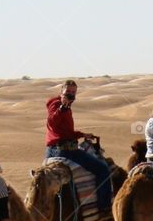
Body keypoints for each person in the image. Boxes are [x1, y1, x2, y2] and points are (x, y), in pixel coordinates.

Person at [44, 79, 113, 214]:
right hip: (63, 150)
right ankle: (104, 208)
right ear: (61, 92)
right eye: (68, 92)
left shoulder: (67, 107)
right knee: (102, 169)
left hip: (53, 149)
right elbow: (52, 122)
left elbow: (64, 131)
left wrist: (82, 134)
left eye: (73, 92)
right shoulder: (56, 104)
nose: (70, 94)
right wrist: (62, 107)